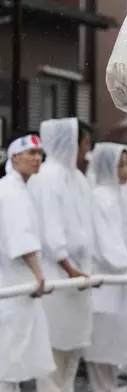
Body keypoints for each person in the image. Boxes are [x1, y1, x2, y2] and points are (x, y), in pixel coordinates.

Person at [28, 118, 96, 392]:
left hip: (79, 277)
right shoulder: (46, 177)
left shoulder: (78, 177)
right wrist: (68, 266)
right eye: (85, 144)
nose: (87, 152)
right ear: (71, 142)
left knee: (73, 349)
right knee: (53, 349)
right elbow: (50, 230)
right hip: (58, 273)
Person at [83, 143, 127, 392]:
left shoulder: (124, 196)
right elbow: (105, 242)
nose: (124, 170)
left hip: (124, 282)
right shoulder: (100, 196)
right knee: (101, 347)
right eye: (119, 164)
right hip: (106, 282)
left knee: (113, 348)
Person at [0, 135, 55, 392]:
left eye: (39, 153)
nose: (36, 158)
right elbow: (21, 238)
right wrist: (39, 275)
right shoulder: (11, 192)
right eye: (30, 152)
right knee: (10, 355)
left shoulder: (18, 188)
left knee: (15, 353)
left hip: (16, 279)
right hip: (14, 281)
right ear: (14, 158)